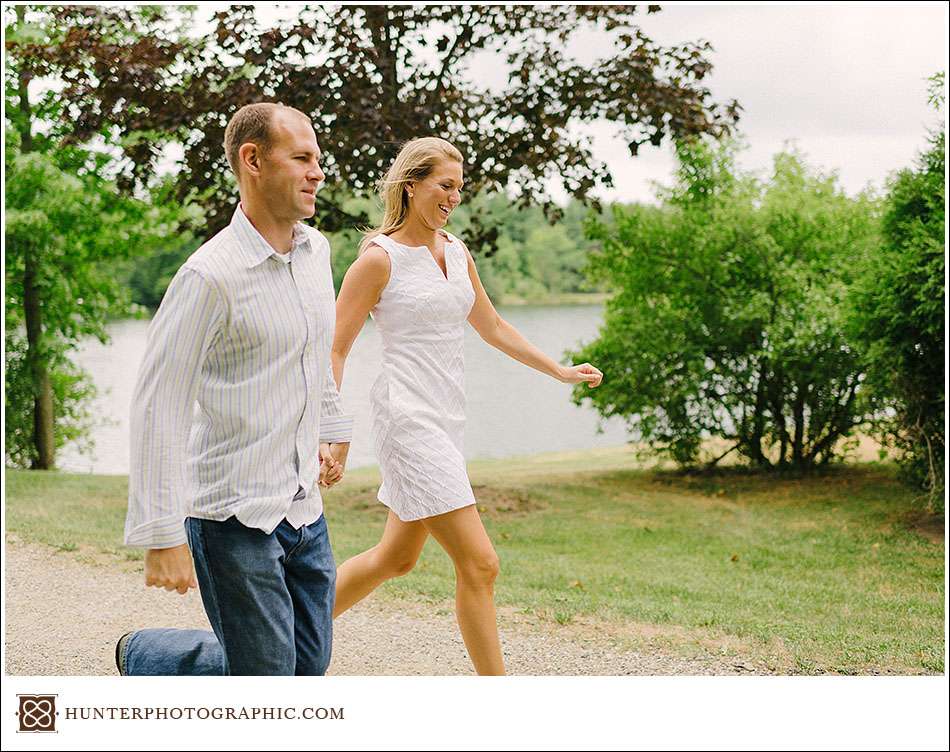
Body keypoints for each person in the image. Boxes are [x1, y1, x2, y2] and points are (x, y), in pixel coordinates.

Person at [327, 137, 603, 675]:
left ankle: (276, 637)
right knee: (480, 563)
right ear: (411, 185)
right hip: (408, 421)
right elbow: (334, 347)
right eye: (444, 185)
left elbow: (493, 326)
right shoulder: (379, 260)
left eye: (459, 187)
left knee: (395, 559)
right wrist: (333, 432)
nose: (454, 197)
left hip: (447, 418)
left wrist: (559, 370)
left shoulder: (456, 251)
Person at [117, 102, 351, 676]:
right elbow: (159, 405)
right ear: (252, 160)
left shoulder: (315, 251)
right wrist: (161, 531)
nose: (318, 171)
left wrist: (334, 426)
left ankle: (157, 655)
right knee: (269, 681)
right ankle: (142, 655)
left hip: (302, 507)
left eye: (317, 158)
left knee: (308, 666)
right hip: (231, 515)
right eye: (301, 158)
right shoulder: (209, 276)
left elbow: (313, 353)